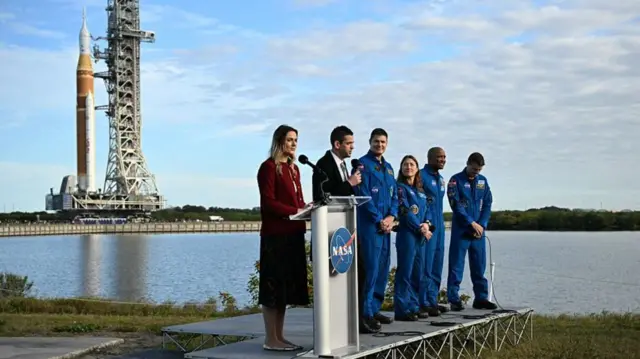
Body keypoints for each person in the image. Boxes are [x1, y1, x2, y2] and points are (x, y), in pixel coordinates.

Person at [311, 126, 372, 332]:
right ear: (337, 144)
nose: (352, 148)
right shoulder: (323, 165)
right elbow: (324, 196)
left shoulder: (346, 165)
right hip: (331, 234)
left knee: (361, 271)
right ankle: (336, 323)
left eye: (353, 144)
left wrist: (353, 185)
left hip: (348, 229)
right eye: (349, 144)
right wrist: (350, 183)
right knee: (335, 278)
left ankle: (357, 318)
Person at [256, 125, 310, 351]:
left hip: (294, 233)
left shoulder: (294, 169)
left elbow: (297, 200)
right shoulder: (269, 168)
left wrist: (305, 208)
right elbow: (268, 202)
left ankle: (280, 336)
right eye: (289, 140)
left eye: (296, 140)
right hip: (275, 236)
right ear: (279, 142)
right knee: (273, 289)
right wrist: (293, 211)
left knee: (285, 291)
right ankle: (271, 339)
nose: (294, 144)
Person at [353, 128, 398, 332]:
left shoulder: (388, 168)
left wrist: (391, 217)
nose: (379, 145)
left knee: (382, 268)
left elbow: (395, 196)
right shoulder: (363, 165)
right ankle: (365, 314)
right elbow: (362, 196)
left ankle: (375, 307)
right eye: (376, 141)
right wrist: (379, 219)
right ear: (370, 142)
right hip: (370, 226)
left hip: (386, 226)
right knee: (370, 269)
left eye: (383, 142)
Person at [446, 152, 497, 311]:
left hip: (479, 232)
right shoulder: (455, 180)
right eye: (474, 169)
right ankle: (454, 299)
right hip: (462, 230)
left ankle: (481, 298)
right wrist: (471, 223)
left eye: (479, 170)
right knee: (456, 266)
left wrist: (481, 224)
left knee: (479, 265)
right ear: (467, 163)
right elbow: (456, 205)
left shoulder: (483, 181)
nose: (476, 172)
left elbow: (488, 203)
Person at [394, 155, 433, 321]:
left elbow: (428, 211)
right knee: (405, 272)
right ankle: (402, 309)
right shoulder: (400, 188)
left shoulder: (421, 192)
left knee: (418, 272)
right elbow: (405, 211)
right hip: (408, 235)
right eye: (405, 164)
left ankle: (414, 305)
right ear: (401, 168)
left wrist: (427, 224)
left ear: (417, 168)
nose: (408, 167)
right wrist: (419, 227)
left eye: (412, 164)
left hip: (420, 236)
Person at [418, 147, 450, 316]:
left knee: (437, 263)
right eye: (439, 157)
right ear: (430, 158)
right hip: (428, 225)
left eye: (444, 157)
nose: (442, 160)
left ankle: (432, 300)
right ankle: (422, 301)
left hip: (440, 225)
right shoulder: (421, 176)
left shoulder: (442, 179)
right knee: (426, 264)